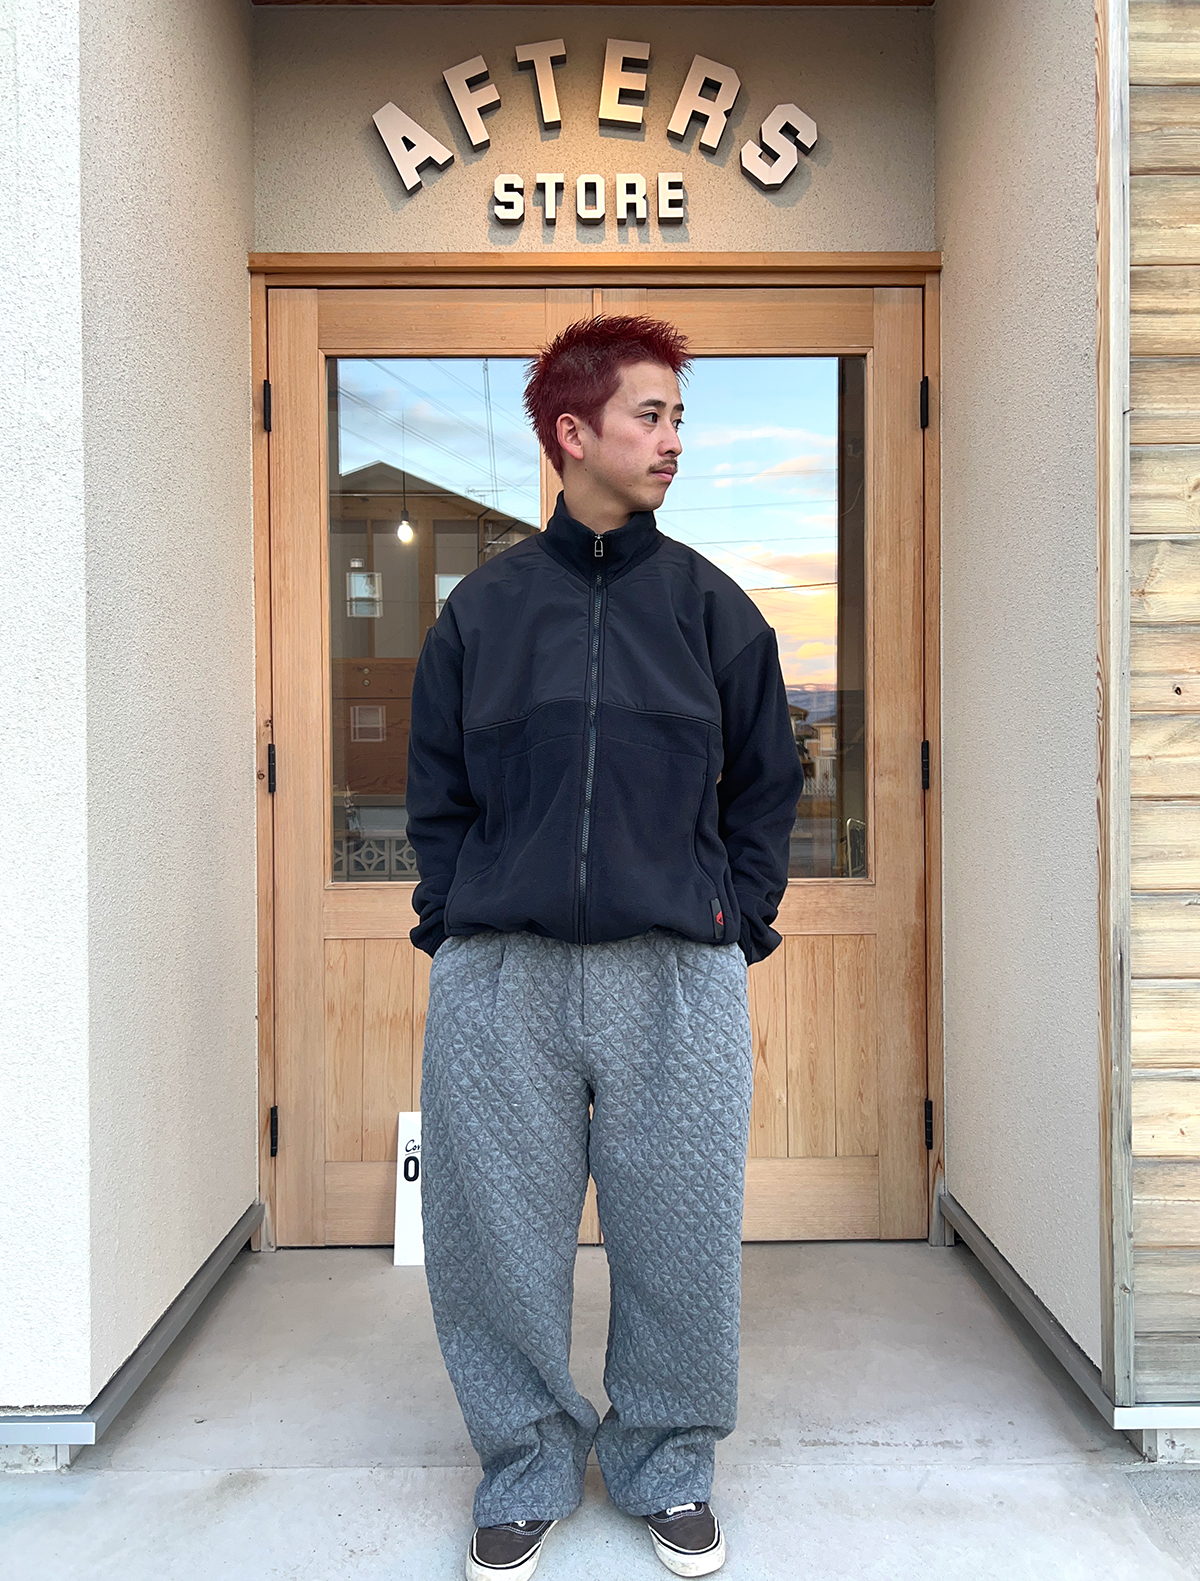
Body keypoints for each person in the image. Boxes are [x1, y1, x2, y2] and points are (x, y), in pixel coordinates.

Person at [406, 316, 804, 1581]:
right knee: (493, 1238)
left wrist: (736, 921)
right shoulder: (483, 612)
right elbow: (436, 795)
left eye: (680, 417)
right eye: (651, 415)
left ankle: (666, 1461)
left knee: (681, 1237)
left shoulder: (712, 611)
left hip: (676, 974)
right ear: (573, 433)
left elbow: (767, 788)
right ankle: (525, 1465)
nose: (673, 440)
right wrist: (454, 921)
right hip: (504, 974)